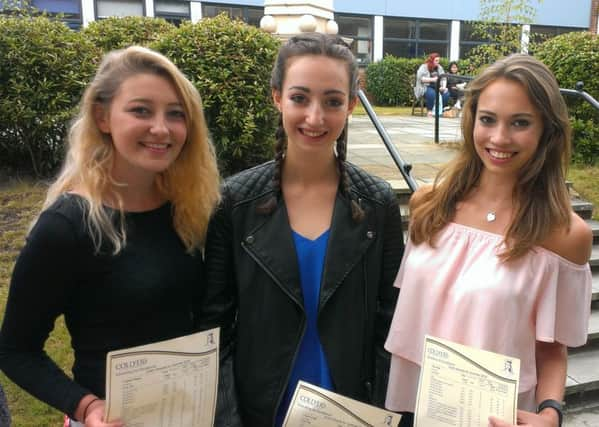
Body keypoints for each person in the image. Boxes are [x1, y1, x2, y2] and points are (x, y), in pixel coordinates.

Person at [0, 46, 220, 427]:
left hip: (187, 414)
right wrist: (85, 406)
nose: (161, 128)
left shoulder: (190, 208)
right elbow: (15, 349)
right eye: (141, 110)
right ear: (103, 116)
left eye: (176, 114)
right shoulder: (68, 226)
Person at [200, 33, 405, 427]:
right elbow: (214, 328)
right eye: (300, 98)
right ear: (277, 97)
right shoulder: (235, 203)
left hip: (351, 410)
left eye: (332, 101)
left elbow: (391, 324)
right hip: (261, 409)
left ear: (350, 103)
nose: (315, 117)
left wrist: (382, 413)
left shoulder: (377, 204)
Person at [384, 53, 593, 427]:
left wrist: (550, 414)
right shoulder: (429, 204)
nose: (499, 138)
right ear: (471, 120)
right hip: (409, 407)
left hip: (496, 418)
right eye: (488, 119)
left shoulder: (565, 234)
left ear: (548, 130)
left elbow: (551, 348)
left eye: (520, 123)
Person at [414, 53, 450, 117]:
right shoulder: (424, 67)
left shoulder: (439, 67)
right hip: (425, 86)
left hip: (437, 86)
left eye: (438, 60)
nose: (438, 62)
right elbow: (421, 78)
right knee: (432, 94)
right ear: (431, 60)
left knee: (446, 94)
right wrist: (432, 79)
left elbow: (444, 78)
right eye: (436, 60)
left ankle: (439, 111)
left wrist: (443, 87)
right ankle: (429, 111)